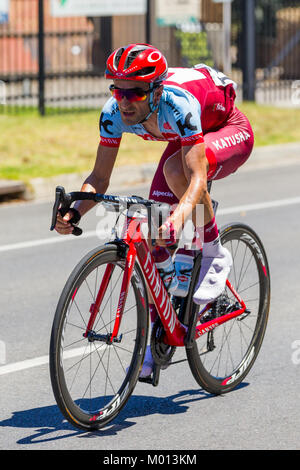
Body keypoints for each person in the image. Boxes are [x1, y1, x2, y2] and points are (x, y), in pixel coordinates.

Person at [55, 43, 254, 378]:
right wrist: (75, 211)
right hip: (183, 136)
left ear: (156, 90)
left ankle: (214, 252)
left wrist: (180, 217)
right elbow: (99, 177)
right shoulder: (113, 112)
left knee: (178, 175)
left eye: (134, 92)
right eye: (118, 90)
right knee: (153, 221)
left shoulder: (178, 103)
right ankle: (163, 324)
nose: (125, 100)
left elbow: (197, 177)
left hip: (226, 126)